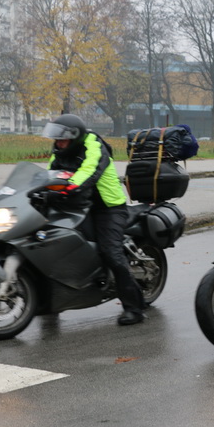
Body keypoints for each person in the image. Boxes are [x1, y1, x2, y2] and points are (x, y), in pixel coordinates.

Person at [42, 114, 146, 326]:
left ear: (75, 137)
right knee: (49, 243)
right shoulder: (59, 152)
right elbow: (49, 175)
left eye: (63, 139)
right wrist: (39, 192)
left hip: (107, 208)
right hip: (77, 205)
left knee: (111, 253)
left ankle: (134, 308)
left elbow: (88, 173)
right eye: (57, 139)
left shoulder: (94, 146)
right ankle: (48, 300)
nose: (59, 143)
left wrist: (67, 188)